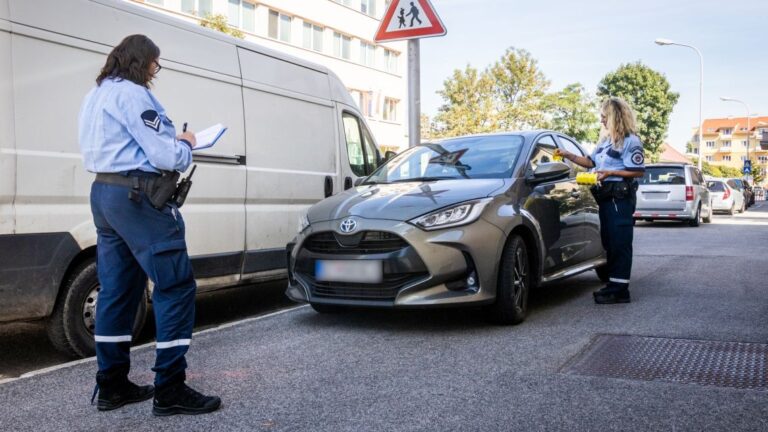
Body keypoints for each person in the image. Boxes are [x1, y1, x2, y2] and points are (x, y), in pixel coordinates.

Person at [78, 34, 221, 416]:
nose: (156, 71)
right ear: (142, 62)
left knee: (118, 291)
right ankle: (170, 389)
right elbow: (163, 153)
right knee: (174, 285)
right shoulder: (134, 93)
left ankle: (111, 385)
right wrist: (187, 143)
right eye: (155, 64)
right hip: (138, 198)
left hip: (105, 194)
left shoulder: (96, 94)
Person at [555, 97, 645, 304]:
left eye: (604, 117)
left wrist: (610, 172)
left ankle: (621, 290)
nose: (602, 121)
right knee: (609, 241)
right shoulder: (605, 142)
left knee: (620, 242)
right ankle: (614, 284)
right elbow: (590, 162)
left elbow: (638, 171)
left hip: (619, 198)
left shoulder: (630, 141)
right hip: (605, 197)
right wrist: (568, 154)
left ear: (615, 117)